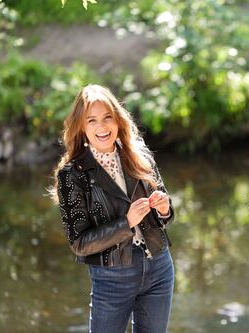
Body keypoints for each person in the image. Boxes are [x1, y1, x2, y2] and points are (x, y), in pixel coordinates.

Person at [50, 84, 174, 333]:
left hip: (159, 267)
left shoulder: (140, 155)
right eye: (92, 120)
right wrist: (126, 223)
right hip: (112, 278)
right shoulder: (71, 174)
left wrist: (164, 208)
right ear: (82, 127)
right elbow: (80, 243)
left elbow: (166, 219)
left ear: (118, 120)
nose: (102, 127)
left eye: (107, 117)